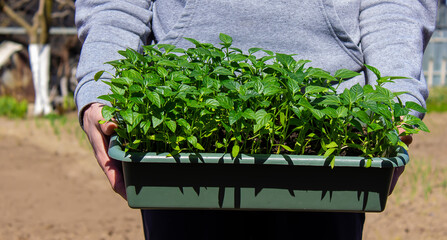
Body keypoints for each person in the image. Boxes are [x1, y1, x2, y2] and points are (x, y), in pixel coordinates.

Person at [74, 1, 437, 239]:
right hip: (176, 136)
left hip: (333, 121)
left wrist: (396, 95)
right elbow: (115, 5)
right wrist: (100, 85)